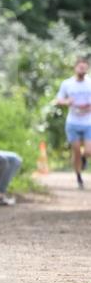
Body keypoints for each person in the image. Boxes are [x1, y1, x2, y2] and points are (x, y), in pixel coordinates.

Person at [55, 56, 91, 189]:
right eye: (80, 67)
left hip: (88, 122)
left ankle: (84, 158)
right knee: (76, 151)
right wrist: (67, 102)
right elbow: (58, 100)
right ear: (75, 68)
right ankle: (79, 177)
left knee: (88, 151)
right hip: (73, 122)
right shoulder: (67, 84)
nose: (82, 70)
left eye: (85, 68)